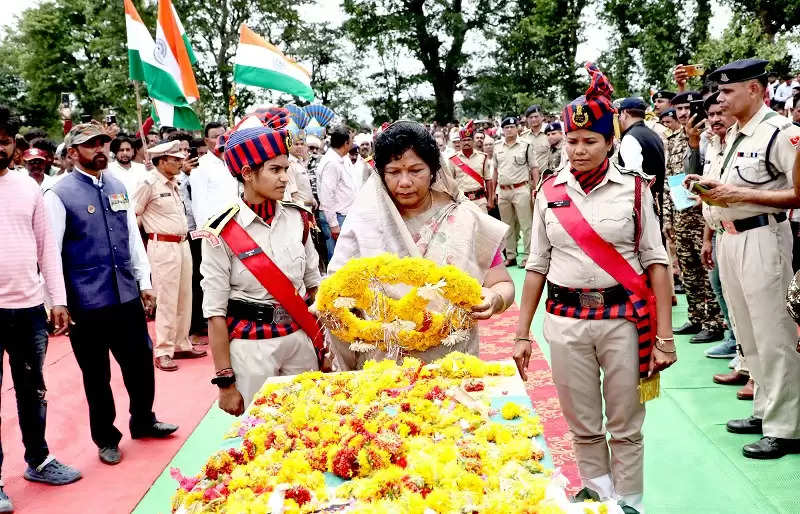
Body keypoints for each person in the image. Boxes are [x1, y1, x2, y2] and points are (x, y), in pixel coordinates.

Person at [513, 64, 675, 513]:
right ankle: (599, 499)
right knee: (582, 424)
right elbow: (536, 264)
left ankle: (630, 503)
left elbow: (656, 262)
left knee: (625, 423)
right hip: (566, 321)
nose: (579, 149)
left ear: (610, 143)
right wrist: (522, 333)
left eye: (590, 141)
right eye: (572, 140)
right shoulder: (548, 191)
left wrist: (665, 336)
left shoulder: (634, 190)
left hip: (623, 320)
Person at [328, 120, 514, 370]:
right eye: (393, 172)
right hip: (385, 364)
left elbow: (502, 283)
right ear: (381, 174)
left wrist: (494, 297)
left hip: (454, 359)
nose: (404, 182)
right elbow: (339, 290)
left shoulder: (464, 219)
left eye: (416, 170)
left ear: (434, 170)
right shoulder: (366, 223)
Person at [44, 123, 178, 466]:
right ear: (73, 153)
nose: (100, 150)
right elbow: (51, 253)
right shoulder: (58, 195)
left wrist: (144, 282)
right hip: (85, 302)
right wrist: (56, 301)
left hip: (125, 295)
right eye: (91, 145)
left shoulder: (118, 186)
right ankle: (106, 437)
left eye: (103, 143)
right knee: (96, 374)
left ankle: (144, 420)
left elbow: (132, 237)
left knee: (139, 364)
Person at [689, 58, 800, 459]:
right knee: (747, 332)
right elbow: (727, 188)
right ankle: (765, 411)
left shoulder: (781, 134)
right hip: (729, 238)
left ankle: (787, 427)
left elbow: (797, 193)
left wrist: (739, 196)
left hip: (763, 237)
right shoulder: (732, 135)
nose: (720, 99)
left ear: (754, 89)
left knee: (773, 333)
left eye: (727, 91)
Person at [199, 115, 323, 412]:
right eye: (275, 169)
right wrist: (225, 381)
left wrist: (325, 345)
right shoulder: (221, 231)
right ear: (247, 173)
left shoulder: (299, 219)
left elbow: (315, 287)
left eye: (286, 169)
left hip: (300, 339)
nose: (284, 178)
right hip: (251, 348)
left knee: (311, 429)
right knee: (261, 437)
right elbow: (215, 312)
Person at [0, 106, 81, 511]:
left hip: (29, 308)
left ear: (14, 146)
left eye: (4, 141)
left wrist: (58, 299)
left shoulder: (29, 188)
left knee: (34, 391)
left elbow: (47, 249)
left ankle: (39, 459)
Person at [134, 141, 206, 371]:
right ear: (161, 161)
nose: (179, 163)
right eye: (175, 159)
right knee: (165, 299)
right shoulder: (148, 183)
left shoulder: (174, 183)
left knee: (185, 296)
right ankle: (163, 349)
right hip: (162, 245)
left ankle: (180, 342)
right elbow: (133, 217)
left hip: (182, 243)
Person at [667, 90, 724, 343]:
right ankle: (696, 316)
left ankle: (714, 321)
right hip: (681, 213)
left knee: (706, 269)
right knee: (688, 268)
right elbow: (671, 181)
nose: (682, 113)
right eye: (678, 109)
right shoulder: (673, 140)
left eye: (687, 108)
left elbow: (705, 176)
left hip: (704, 215)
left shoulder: (710, 138)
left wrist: (694, 143)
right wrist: (668, 217)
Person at [493, 116, 536, 267]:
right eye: (506, 128)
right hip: (503, 191)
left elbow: (534, 167)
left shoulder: (525, 145)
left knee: (526, 225)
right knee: (506, 226)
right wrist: (493, 192)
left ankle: (528, 256)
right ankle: (510, 256)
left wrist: (535, 188)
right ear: (502, 130)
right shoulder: (497, 147)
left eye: (512, 127)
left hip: (521, 189)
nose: (509, 130)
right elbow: (495, 171)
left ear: (517, 128)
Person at [617, 97, 666, 225]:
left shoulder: (630, 138)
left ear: (625, 113)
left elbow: (634, 181)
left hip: (643, 210)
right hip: (657, 203)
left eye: (619, 115)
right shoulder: (653, 134)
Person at [317, 124, 355, 260]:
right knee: (337, 258)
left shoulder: (342, 159)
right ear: (346, 143)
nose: (353, 142)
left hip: (343, 215)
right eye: (352, 139)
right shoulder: (332, 163)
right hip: (336, 217)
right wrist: (334, 225)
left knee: (346, 257)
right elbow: (327, 196)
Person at [446, 120, 494, 212]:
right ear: (460, 142)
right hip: (462, 201)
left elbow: (488, 180)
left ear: (473, 141)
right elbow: (450, 183)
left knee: (482, 226)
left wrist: (490, 200)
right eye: (464, 140)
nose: (466, 142)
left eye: (468, 140)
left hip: (480, 200)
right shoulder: (452, 160)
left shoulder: (482, 157)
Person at [108, 135, 147, 199]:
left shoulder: (142, 169)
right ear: (115, 152)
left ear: (133, 151)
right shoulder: (108, 170)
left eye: (128, 150)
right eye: (121, 150)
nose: (125, 153)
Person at [520, 104, 549, 175]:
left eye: (536, 116)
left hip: (546, 177)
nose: (533, 119)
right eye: (530, 117)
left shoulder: (549, 134)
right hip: (529, 178)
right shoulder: (523, 136)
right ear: (527, 119)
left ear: (542, 117)